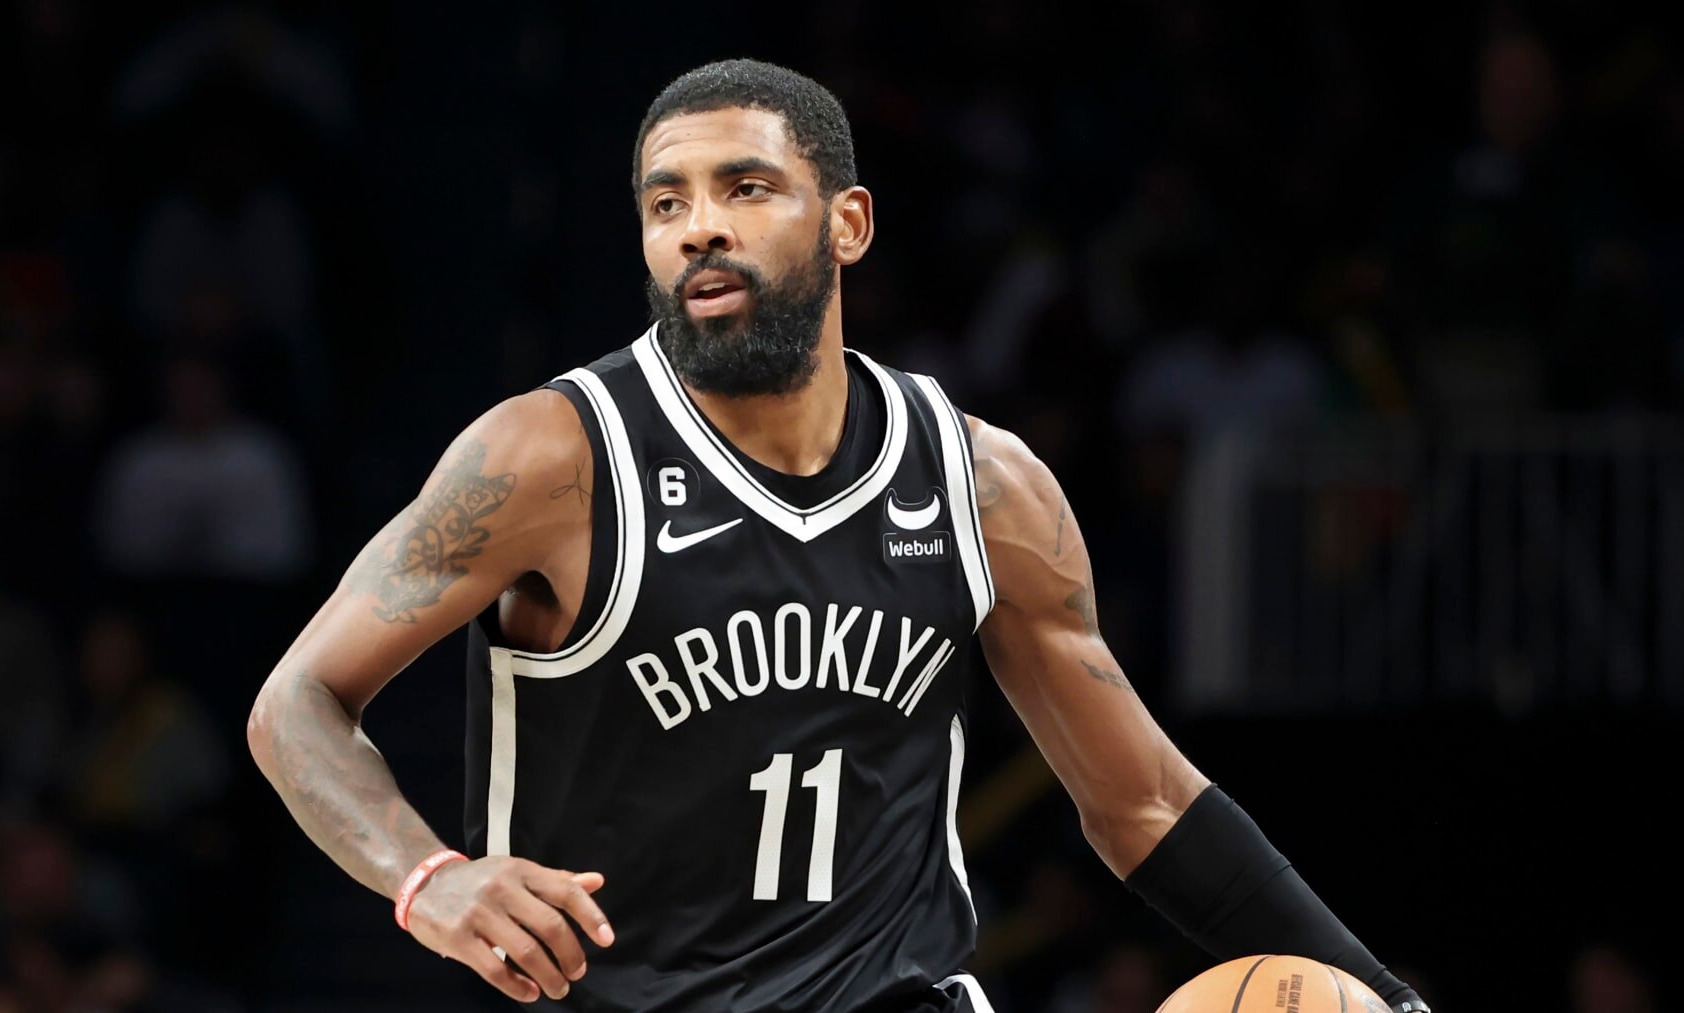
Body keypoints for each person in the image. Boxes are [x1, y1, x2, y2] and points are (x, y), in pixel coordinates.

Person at [246, 59, 1430, 1012]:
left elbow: (1148, 805)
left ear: (847, 222)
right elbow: (296, 702)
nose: (699, 228)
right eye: (667, 203)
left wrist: (1385, 994)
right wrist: (429, 877)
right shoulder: (554, 458)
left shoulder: (982, 484)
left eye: (745, 188)